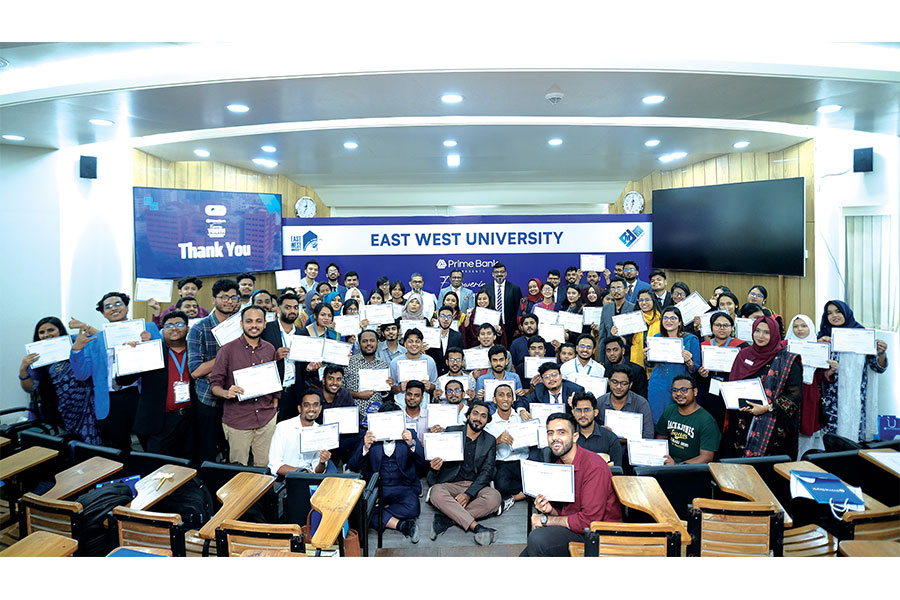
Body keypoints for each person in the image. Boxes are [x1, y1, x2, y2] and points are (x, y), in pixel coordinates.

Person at [520, 412, 622, 557]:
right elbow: (566, 512)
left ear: (575, 437)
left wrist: (546, 520)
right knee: (529, 551)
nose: (554, 437)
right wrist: (550, 510)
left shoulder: (594, 467)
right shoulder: (559, 465)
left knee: (538, 539)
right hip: (576, 529)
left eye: (561, 432)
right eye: (550, 433)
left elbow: (588, 521)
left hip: (599, 535)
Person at [70, 291, 159, 452]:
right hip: (111, 400)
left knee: (151, 444)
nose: (113, 308)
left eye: (118, 304)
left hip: (140, 395)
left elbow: (161, 359)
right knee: (119, 448)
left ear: (127, 307)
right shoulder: (95, 340)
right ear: (104, 313)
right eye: (108, 306)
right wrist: (76, 351)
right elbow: (82, 374)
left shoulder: (147, 329)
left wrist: (148, 344)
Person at [116, 310, 195, 459]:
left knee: (188, 463)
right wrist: (130, 353)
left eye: (179, 324)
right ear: (162, 330)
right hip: (160, 421)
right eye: (169, 325)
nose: (174, 328)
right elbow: (123, 381)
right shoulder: (151, 350)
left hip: (190, 419)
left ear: (188, 328)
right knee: (159, 465)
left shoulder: (195, 351)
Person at [209, 306, 279, 466]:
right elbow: (215, 384)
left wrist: (275, 406)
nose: (254, 325)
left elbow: (274, 380)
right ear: (241, 324)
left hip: (266, 418)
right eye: (249, 321)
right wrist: (226, 393)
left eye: (258, 321)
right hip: (238, 420)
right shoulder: (227, 350)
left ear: (265, 324)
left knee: (264, 468)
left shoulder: (269, 349)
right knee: (238, 470)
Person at [724, 316, 802, 458]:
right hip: (742, 420)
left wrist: (767, 408)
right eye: (758, 330)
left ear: (775, 334)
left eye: (767, 332)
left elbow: (794, 397)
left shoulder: (787, 360)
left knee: (766, 467)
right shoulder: (743, 354)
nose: (760, 336)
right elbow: (733, 383)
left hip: (772, 427)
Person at [348, 401, 426, 542]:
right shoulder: (369, 436)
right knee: (360, 509)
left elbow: (423, 463)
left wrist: (412, 445)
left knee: (413, 508)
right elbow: (352, 465)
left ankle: (378, 515)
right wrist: (365, 448)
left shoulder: (410, 433)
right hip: (378, 487)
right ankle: (402, 525)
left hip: (402, 485)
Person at [427, 401, 501, 546]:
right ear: (468, 416)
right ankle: (476, 527)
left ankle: (448, 518)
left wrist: (468, 494)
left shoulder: (490, 440)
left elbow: (487, 472)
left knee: (495, 498)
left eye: (483, 416)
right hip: (451, 483)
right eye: (475, 414)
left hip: (476, 486)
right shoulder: (451, 432)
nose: (478, 419)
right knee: (435, 492)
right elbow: (437, 462)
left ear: (487, 421)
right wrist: (435, 467)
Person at [816, 301, 888, 443]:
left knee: (853, 441)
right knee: (829, 443)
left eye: (838, 311)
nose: (834, 316)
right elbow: (815, 373)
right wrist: (820, 348)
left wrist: (881, 354)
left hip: (855, 399)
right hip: (830, 401)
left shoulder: (862, 336)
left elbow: (877, 367)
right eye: (829, 313)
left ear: (846, 313)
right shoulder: (823, 337)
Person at [20, 317, 100, 444]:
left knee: (95, 436)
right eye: (42, 332)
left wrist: (84, 326)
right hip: (67, 405)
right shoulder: (38, 354)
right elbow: (30, 388)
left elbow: (102, 340)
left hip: (90, 399)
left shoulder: (73, 341)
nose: (46, 335)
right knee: (74, 440)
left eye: (51, 330)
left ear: (60, 330)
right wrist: (23, 369)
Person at [187, 278, 241, 462]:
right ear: (213, 300)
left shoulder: (241, 325)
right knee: (208, 449)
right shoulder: (199, 328)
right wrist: (225, 354)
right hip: (209, 399)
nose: (229, 301)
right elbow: (196, 371)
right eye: (224, 297)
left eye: (233, 297)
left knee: (233, 450)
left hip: (236, 397)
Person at [786, 314, 838, 458]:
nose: (800, 329)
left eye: (804, 326)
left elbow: (821, 377)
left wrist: (832, 370)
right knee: (790, 430)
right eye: (796, 326)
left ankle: (805, 459)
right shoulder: (785, 346)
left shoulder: (818, 347)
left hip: (810, 394)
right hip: (790, 393)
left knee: (807, 429)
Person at [644, 306, 701, 424]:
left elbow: (695, 367)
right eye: (665, 318)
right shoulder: (656, 338)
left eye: (673, 318)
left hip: (680, 385)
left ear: (680, 321)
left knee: (677, 419)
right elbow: (649, 365)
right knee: (657, 418)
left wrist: (689, 361)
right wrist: (646, 357)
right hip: (657, 384)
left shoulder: (690, 339)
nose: (668, 321)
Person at [696, 311, 748, 431]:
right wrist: (701, 372)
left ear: (732, 327)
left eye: (726, 325)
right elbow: (696, 371)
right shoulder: (703, 345)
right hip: (710, 389)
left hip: (732, 389)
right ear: (711, 327)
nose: (722, 328)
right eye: (718, 325)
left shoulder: (742, 346)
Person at [268, 389, 337, 475]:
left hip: (309, 477)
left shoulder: (321, 432)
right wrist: (302, 472)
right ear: (299, 408)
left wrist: (322, 462)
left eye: (315, 405)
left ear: (320, 409)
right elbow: (274, 466)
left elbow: (317, 471)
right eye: (306, 405)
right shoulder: (283, 427)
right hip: (285, 478)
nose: (311, 409)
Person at [655, 374, 721, 464]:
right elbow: (661, 438)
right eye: (675, 390)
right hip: (668, 463)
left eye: (684, 390)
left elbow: (706, 457)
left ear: (695, 392)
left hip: (691, 469)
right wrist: (661, 458)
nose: (678, 393)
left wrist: (677, 466)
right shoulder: (669, 410)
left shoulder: (707, 421)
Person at [485, 383, 531, 512]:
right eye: (501, 395)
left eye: (509, 395)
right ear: (494, 400)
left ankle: (512, 498)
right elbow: (485, 450)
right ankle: (525, 493)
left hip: (523, 460)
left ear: (513, 399)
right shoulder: (489, 423)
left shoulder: (522, 418)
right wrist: (497, 441)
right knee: (502, 486)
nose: (505, 399)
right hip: (503, 462)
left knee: (536, 483)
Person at [261, 292, 305, 423]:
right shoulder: (267, 330)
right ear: (279, 310)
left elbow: (304, 367)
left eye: (295, 307)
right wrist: (274, 358)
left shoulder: (302, 333)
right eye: (288, 307)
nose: (292, 311)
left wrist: (310, 367)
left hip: (295, 392)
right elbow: (256, 359)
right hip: (273, 393)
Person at [345, 329, 392, 426]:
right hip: (353, 416)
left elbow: (383, 394)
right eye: (365, 341)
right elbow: (340, 390)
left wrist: (387, 386)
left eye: (372, 340)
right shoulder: (348, 362)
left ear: (377, 343)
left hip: (376, 416)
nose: (369, 344)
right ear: (359, 345)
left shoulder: (383, 365)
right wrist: (358, 395)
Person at [597, 364, 654, 439]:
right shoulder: (599, 402)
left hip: (633, 446)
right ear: (609, 382)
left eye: (623, 383)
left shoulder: (641, 403)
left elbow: (648, 435)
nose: (618, 387)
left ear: (630, 385)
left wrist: (620, 439)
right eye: (615, 382)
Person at [388, 328, 439, 404]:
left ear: (421, 344)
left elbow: (435, 385)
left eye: (417, 341)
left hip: (423, 405)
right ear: (405, 344)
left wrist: (430, 386)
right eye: (410, 342)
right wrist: (399, 388)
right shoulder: (395, 362)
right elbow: (391, 388)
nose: (414, 344)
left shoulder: (430, 361)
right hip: (401, 405)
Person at [514, 362, 583, 418]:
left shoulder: (575, 390)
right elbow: (521, 402)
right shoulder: (539, 389)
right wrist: (521, 411)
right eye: (546, 377)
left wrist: (575, 406)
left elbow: (584, 412)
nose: (551, 379)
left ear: (561, 376)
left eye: (554, 375)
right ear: (542, 380)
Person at [572, 392, 622, 465]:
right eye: (578, 410)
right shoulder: (568, 437)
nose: (582, 414)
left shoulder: (610, 438)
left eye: (587, 410)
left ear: (595, 412)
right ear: (573, 412)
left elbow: (616, 469)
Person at [480, 262, 523, 345]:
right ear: (493, 274)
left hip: (509, 328)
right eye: (496, 272)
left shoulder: (514, 289)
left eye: (502, 272)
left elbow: (519, 309)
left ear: (506, 274)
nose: (499, 274)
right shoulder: (486, 288)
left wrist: (516, 328)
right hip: (490, 326)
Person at [624, 289, 661, 370]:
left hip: (658, 364)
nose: (644, 303)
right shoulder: (633, 319)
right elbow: (627, 342)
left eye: (647, 300)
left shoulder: (662, 319)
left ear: (653, 301)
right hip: (636, 365)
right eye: (640, 300)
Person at [595, 277, 635, 345]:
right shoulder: (606, 308)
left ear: (626, 290)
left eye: (619, 288)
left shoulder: (633, 308)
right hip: (609, 348)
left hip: (627, 348)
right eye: (613, 288)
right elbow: (602, 335)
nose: (616, 291)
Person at [426, 304, 463, 375]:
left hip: (450, 374)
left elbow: (460, 355)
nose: (446, 319)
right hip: (433, 372)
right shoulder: (430, 334)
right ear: (438, 317)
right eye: (443, 316)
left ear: (453, 318)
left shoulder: (457, 336)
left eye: (449, 317)